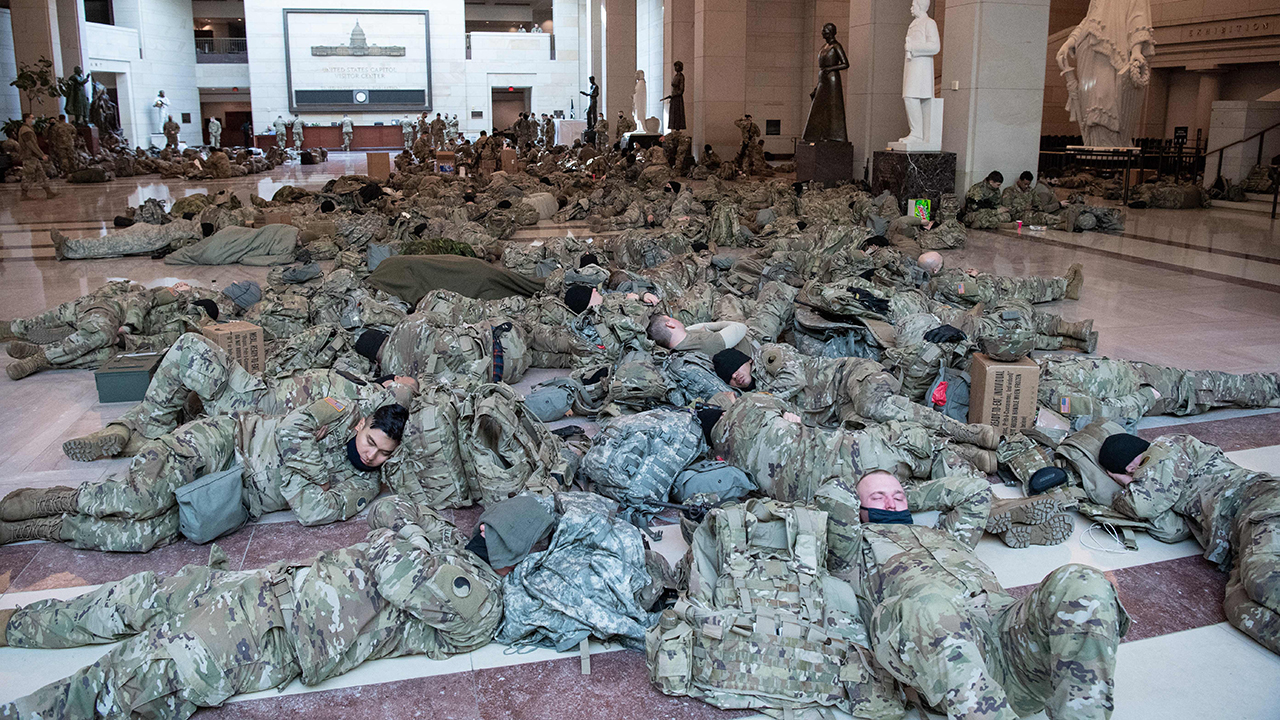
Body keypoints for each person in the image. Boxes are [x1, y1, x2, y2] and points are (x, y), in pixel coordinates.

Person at [0, 495, 503, 720]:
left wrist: (411, 541)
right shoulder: (443, 545)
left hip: (267, 638)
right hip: (256, 585)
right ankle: (13, 625)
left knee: (124, 682)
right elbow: (390, 510)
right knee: (127, 599)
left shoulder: (479, 601)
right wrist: (424, 536)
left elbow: (393, 562)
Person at [848, 471, 1128, 720]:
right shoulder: (853, 548)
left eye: (897, 496)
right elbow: (830, 497)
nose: (890, 503)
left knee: (1081, 578)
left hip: (1011, 640)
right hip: (946, 657)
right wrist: (859, 500)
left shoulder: (947, 535)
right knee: (928, 602)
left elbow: (974, 491)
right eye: (878, 497)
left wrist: (906, 497)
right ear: (856, 505)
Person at [0, 401, 409, 550]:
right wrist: (310, 474)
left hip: (237, 497)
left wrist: (297, 464)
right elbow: (288, 428)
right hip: (224, 443)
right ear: (363, 425)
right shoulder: (339, 411)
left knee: (143, 536)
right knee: (142, 499)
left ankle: (48, 527)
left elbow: (313, 511)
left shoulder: (365, 485)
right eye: (371, 440)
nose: (370, 454)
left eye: (382, 453)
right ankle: (52, 499)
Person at [61, 331, 417, 461]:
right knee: (182, 401)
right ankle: (125, 431)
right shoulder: (362, 386)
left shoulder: (373, 405)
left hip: (255, 404)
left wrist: (395, 385)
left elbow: (411, 388)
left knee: (190, 349)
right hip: (260, 396)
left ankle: (146, 432)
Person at [1096, 432, 1279, 654]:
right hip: (1240, 539)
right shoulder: (1167, 487)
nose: (1133, 472)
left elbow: (1141, 505)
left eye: (1131, 466)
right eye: (1126, 472)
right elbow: (1171, 530)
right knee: (1238, 608)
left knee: (1263, 582)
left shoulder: (1168, 446)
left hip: (1261, 506)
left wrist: (1125, 486)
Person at [713, 343, 1000, 449]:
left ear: (745, 360)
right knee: (874, 435)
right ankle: (960, 450)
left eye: (734, 368)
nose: (734, 376)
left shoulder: (767, 356)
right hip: (839, 409)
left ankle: (966, 432)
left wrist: (759, 399)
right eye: (729, 376)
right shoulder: (753, 394)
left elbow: (796, 378)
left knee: (873, 405)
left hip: (850, 377)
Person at [4, 283, 216, 381]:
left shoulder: (178, 335)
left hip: (116, 334)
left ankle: (40, 352)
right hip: (111, 310)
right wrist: (129, 326)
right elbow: (141, 299)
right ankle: (37, 358)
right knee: (103, 333)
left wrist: (124, 340)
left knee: (108, 355)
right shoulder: (173, 298)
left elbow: (150, 344)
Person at [1037, 356, 1280, 429]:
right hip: (1165, 389)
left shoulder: (1032, 371)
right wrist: (1149, 396)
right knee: (1229, 387)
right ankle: (1272, 388)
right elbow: (1107, 411)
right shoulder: (1053, 395)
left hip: (1149, 373)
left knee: (1223, 387)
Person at [925, 254, 1084, 305]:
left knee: (1028, 283)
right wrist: (981, 275)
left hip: (988, 288)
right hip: (997, 296)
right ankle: (1066, 287)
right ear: (935, 269)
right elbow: (984, 294)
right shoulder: (951, 285)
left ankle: (1063, 284)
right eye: (941, 262)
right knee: (1031, 286)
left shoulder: (938, 279)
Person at [801, 22, 849, 143]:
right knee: (818, 106)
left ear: (831, 32)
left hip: (832, 79)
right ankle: (817, 134)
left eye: (825, 31)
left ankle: (834, 135)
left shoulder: (836, 46)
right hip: (823, 78)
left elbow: (845, 63)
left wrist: (830, 69)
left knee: (832, 107)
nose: (822, 33)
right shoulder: (824, 47)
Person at [647, 315, 752, 356]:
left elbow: (688, 330)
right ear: (670, 324)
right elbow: (740, 327)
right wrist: (709, 326)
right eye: (670, 318)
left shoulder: (679, 346)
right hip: (753, 345)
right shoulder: (706, 342)